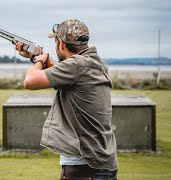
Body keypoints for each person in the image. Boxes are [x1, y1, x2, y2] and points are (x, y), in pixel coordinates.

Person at [15, 19, 118, 180]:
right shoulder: (94, 63)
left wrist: (40, 60)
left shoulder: (76, 65)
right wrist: (34, 57)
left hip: (84, 165)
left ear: (61, 43)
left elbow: (30, 81)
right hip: (100, 163)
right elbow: (62, 72)